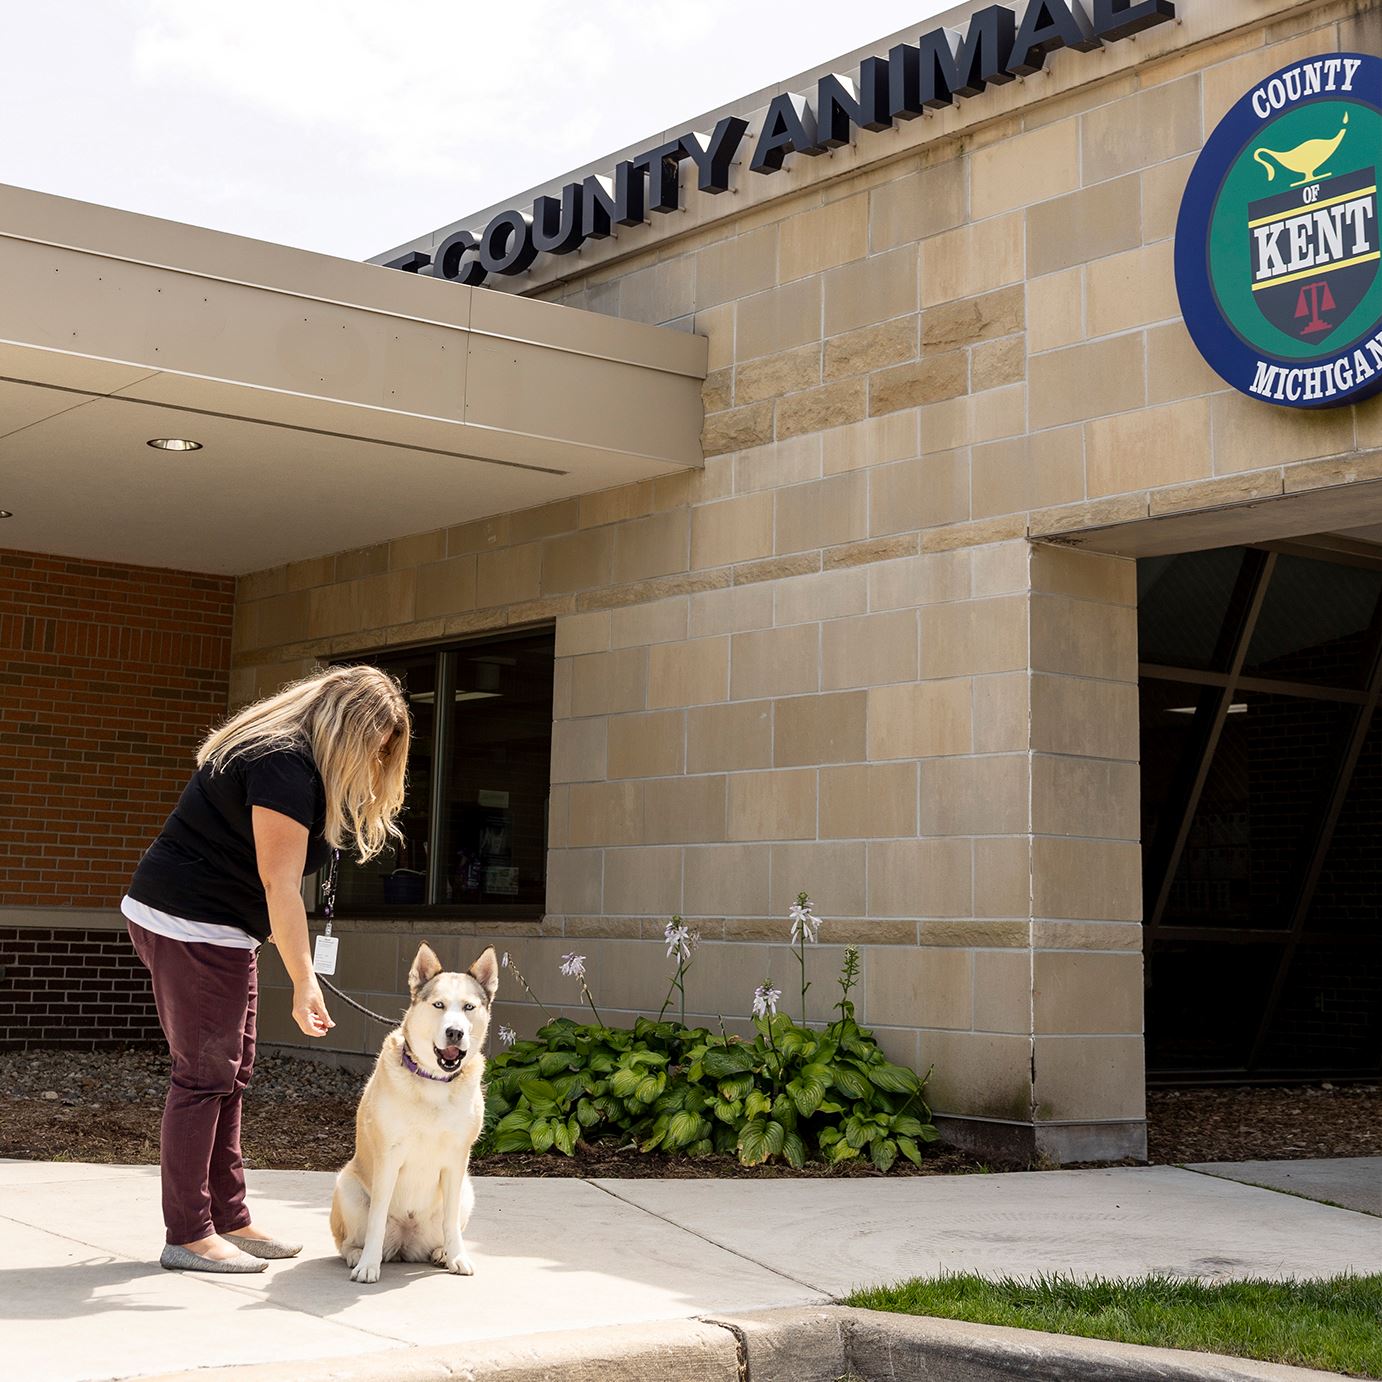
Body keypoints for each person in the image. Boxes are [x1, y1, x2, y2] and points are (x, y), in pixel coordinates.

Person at [123, 664, 410, 1273]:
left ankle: (229, 1218)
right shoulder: (282, 761)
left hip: (223, 929)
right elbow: (280, 885)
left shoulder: (293, 759)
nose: (375, 761)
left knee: (231, 1073)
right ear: (347, 728)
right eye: (374, 747)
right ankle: (189, 1233)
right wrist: (304, 980)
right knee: (203, 1076)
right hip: (191, 922)